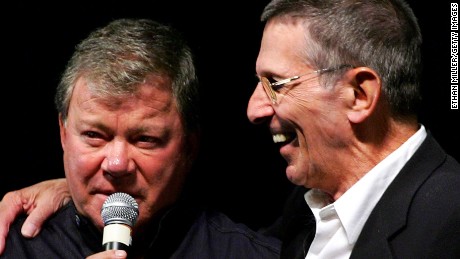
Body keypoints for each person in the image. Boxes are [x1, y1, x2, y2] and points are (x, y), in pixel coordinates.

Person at [1, 0, 460, 258]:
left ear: (359, 95)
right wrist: (79, 184)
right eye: (94, 137)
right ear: (63, 134)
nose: (254, 109)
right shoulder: (304, 216)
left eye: (275, 84)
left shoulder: (450, 221)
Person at [0, 18, 281, 258]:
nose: (117, 163)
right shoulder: (10, 246)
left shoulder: (250, 254)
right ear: (63, 134)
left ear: (189, 146)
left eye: (145, 139)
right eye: (94, 135)